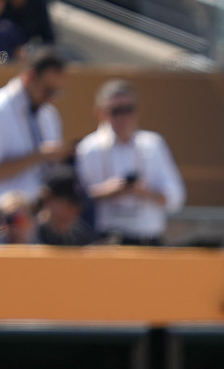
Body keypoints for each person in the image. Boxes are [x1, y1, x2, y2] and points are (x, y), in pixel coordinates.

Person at [73, 79, 185, 247]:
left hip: (148, 241)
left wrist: (146, 192)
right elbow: (74, 201)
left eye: (128, 110)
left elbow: (176, 198)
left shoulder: (152, 144)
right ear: (100, 112)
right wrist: (105, 191)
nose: (122, 117)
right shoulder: (88, 149)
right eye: (115, 111)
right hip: (106, 242)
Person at [0, 52, 68, 213]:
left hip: (34, 210)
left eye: (55, 92)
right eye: (47, 90)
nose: (49, 98)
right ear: (29, 77)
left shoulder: (48, 114)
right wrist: (38, 156)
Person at [33, 167, 95, 247]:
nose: (75, 210)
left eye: (78, 205)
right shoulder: (30, 234)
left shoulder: (82, 235)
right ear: (49, 198)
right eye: (70, 203)